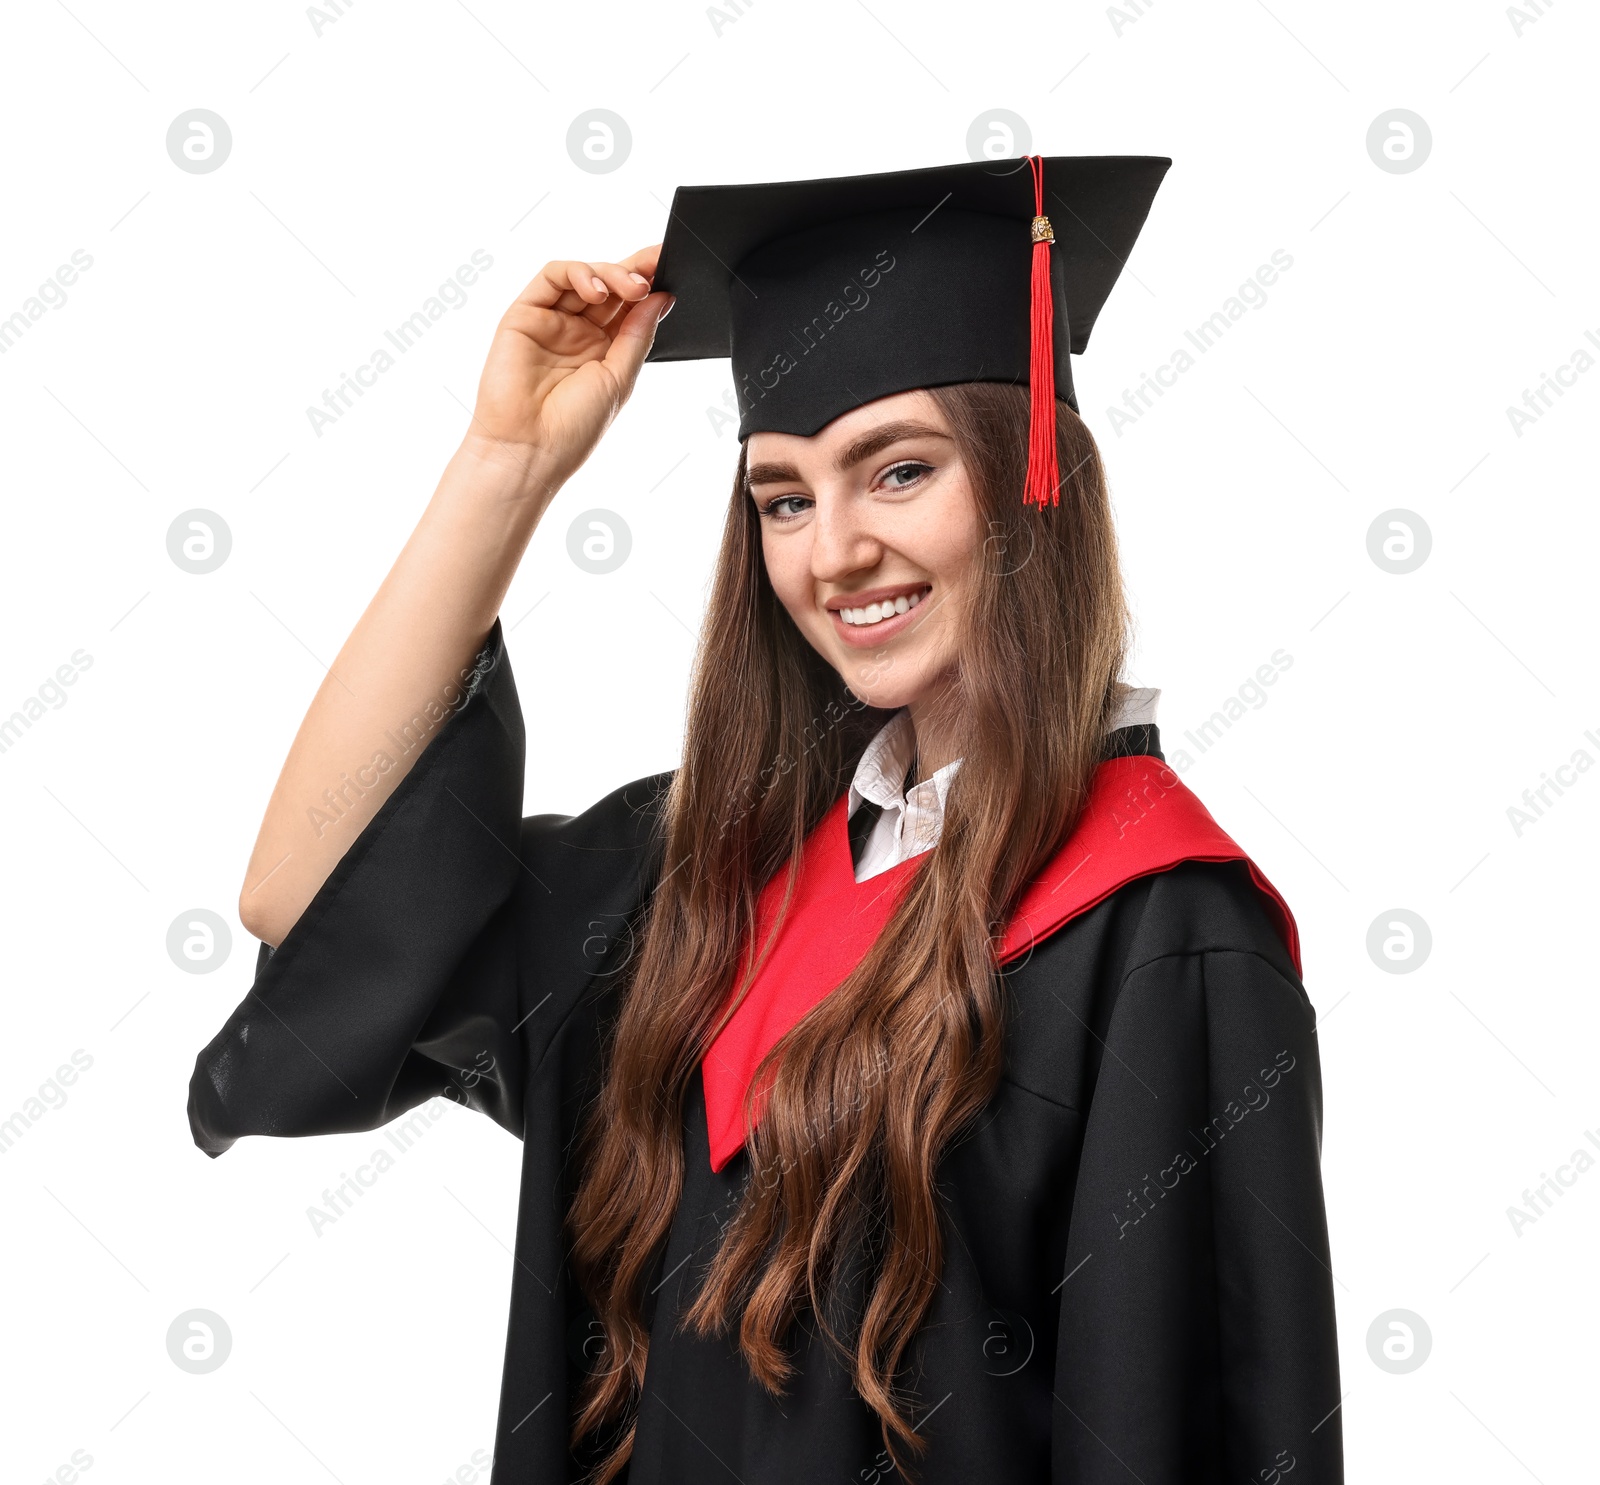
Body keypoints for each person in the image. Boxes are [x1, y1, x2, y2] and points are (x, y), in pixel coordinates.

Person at [189, 156, 1342, 1485]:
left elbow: (1168, 1437)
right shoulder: (690, 884)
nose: (830, 549)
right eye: (784, 497)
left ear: (1036, 479)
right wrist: (504, 467)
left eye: (897, 472)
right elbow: (307, 893)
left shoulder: (1156, 934)